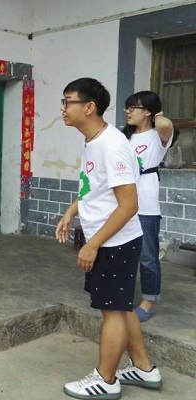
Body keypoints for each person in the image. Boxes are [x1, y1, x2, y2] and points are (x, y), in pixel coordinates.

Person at [55, 78, 162, 399]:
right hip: (108, 239)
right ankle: (144, 368)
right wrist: (71, 211)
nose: (63, 108)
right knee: (122, 306)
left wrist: (93, 243)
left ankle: (106, 379)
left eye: (68, 101)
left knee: (112, 311)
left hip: (115, 242)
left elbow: (129, 205)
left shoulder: (112, 145)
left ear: (89, 107)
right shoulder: (94, 139)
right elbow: (94, 186)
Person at [121, 91, 174, 322]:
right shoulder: (125, 137)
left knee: (147, 256)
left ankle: (148, 301)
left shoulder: (158, 136)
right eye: (127, 107)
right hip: (122, 203)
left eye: (134, 107)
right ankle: (120, 295)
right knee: (122, 252)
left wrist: (157, 111)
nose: (128, 111)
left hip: (146, 206)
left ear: (148, 112)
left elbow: (165, 124)